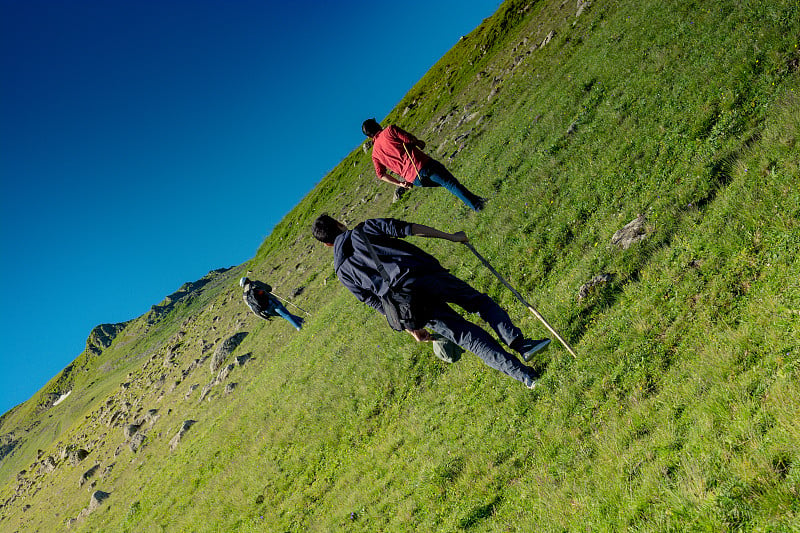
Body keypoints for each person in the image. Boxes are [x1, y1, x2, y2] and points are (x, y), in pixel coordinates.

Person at [311, 215, 551, 389]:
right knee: (480, 303)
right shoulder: (365, 229)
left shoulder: (342, 271)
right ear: (339, 224)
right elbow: (408, 229)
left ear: (327, 245)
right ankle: (521, 345)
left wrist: (408, 326)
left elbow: (374, 302)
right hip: (426, 276)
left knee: (467, 336)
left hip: (407, 305)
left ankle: (525, 377)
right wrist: (451, 237)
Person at [361, 118, 486, 212]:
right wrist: (419, 143)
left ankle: (477, 201)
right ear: (377, 125)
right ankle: (478, 206)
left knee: (448, 184)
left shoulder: (375, 154)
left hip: (415, 180)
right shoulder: (390, 130)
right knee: (450, 183)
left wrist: (400, 183)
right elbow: (409, 139)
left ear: (368, 136)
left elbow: (380, 174)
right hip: (423, 165)